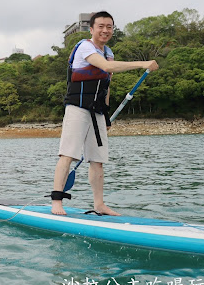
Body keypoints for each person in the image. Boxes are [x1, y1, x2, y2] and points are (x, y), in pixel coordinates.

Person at [51, 11, 159, 216]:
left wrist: (106, 114)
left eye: (109, 27)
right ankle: (57, 202)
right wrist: (142, 64)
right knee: (68, 155)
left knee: (97, 159)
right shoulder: (85, 47)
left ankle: (99, 204)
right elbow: (107, 67)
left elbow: (106, 85)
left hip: (97, 112)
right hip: (77, 108)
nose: (105, 30)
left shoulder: (108, 52)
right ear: (91, 29)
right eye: (101, 26)